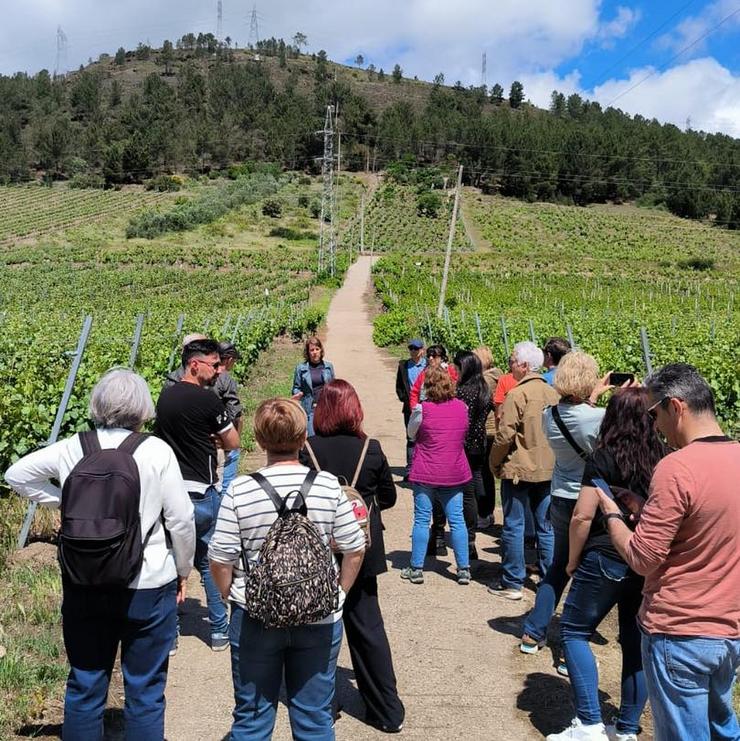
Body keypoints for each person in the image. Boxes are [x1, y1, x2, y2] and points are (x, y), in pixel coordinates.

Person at [5, 369, 195, 740]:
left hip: (85, 580)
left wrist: (66, 502)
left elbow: (17, 474)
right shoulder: (156, 451)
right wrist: (183, 569)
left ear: (97, 404)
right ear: (142, 408)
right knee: (145, 690)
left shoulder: (73, 447)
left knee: (86, 682)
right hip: (148, 582)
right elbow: (182, 519)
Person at [594, 364, 740, 741]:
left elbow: (643, 558)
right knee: (721, 726)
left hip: (678, 629)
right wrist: (648, 511)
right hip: (727, 630)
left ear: (676, 407)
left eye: (654, 414)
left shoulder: (676, 468)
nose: (653, 426)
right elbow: (712, 526)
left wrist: (613, 515)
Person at [208, 397, 366, 741]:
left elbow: (220, 556)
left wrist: (229, 593)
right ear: (302, 435)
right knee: (314, 719)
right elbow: (354, 547)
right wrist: (339, 593)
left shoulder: (241, 490)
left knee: (252, 719)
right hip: (319, 614)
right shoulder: (326, 485)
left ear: (260, 440)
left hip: (256, 614)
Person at [546, 388, 666, 741]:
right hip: (643, 558)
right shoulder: (662, 457)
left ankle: (588, 723)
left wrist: (571, 560)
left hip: (606, 554)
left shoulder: (603, 457)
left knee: (574, 630)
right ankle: (627, 727)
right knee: (634, 640)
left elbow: (582, 516)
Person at [300, 380, 405, 734]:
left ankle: (320, 707)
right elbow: (388, 497)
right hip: (361, 550)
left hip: (319, 549)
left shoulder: (307, 450)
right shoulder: (370, 449)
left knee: (315, 633)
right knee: (368, 631)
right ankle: (387, 710)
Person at [154, 339, 240, 652]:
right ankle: (219, 631)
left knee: (168, 561)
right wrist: (214, 438)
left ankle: (170, 636)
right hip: (202, 492)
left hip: (169, 494)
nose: (219, 370)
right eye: (214, 364)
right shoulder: (208, 402)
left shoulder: (164, 398)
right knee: (208, 561)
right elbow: (232, 441)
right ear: (194, 364)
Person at [520, 352, 608, 660]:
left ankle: (533, 631)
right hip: (590, 503)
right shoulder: (599, 418)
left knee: (558, 566)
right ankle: (571, 648)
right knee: (588, 573)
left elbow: (577, 421)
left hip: (559, 498)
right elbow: (598, 433)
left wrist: (591, 397)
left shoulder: (549, 415)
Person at [489, 341, 559, 600]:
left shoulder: (517, 395)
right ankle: (549, 580)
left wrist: (494, 463)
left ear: (524, 366)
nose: (510, 366)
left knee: (514, 526)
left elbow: (504, 435)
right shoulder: (553, 393)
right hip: (548, 468)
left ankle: (512, 581)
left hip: (518, 469)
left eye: (512, 361)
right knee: (546, 527)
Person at [402, 367, 472, 585]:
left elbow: (411, 433)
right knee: (457, 520)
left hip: (427, 470)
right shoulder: (462, 407)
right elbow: (464, 431)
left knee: (422, 519)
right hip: (454, 471)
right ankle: (463, 569)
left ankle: (416, 568)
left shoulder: (423, 409)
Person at [454, 350, 494, 560]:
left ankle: (469, 522)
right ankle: (484, 512)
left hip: (465, 441)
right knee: (477, 476)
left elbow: (462, 418)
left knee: (464, 487)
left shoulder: (464, 391)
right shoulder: (484, 387)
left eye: (458, 367)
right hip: (480, 439)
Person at [474, 345, 502, 528]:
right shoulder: (498, 376)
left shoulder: (486, 380)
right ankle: (487, 512)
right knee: (487, 474)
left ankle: (484, 513)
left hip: (487, 429)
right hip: (494, 430)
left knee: (482, 474)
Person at [395, 338, 427, 480]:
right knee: (411, 437)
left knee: (426, 437)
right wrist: (405, 399)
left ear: (422, 350)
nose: (413, 351)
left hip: (427, 406)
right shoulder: (404, 366)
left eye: (416, 348)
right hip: (410, 408)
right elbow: (399, 387)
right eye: (411, 348)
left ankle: (424, 468)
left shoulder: (428, 366)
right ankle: (410, 470)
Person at [292, 336, 336, 436]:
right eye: (312, 350)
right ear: (308, 352)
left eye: (317, 349)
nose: (315, 352)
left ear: (321, 350)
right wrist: (297, 394)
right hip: (310, 408)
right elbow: (296, 387)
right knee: (312, 437)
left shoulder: (328, 367)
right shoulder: (301, 368)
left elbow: (333, 387)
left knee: (328, 435)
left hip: (326, 407)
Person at [217, 341, 244, 495]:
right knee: (227, 484)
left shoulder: (204, 377)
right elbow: (234, 412)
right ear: (228, 359)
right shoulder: (226, 379)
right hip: (225, 436)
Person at [408, 344, 459, 408]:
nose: (430, 358)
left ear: (442, 357)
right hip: (428, 409)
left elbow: (456, 389)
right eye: (428, 356)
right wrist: (414, 407)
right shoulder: (424, 373)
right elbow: (414, 392)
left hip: (448, 407)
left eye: (434, 356)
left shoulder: (450, 371)